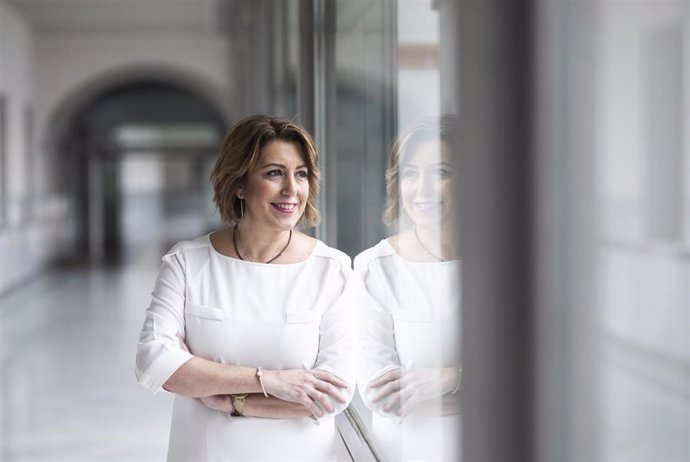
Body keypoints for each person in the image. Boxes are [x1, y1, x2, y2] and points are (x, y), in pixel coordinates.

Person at [135, 115, 355, 461]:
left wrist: (227, 398)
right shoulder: (187, 263)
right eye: (273, 173)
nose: (291, 189)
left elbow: (332, 395)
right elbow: (155, 362)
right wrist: (269, 381)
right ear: (238, 183)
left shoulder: (332, 270)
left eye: (301, 174)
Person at [354, 116, 462, 460]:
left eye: (441, 172)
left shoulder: (503, 264)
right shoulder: (375, 267)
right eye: (411, 174)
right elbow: (380, 395)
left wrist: (448, 378)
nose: (423, 189)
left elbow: (531, 378)